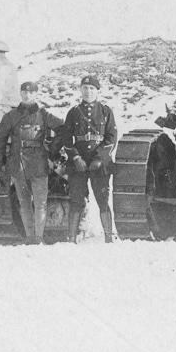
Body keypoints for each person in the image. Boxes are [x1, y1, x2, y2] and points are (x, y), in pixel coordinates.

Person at [0, 81, 64, 245]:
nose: (27, 95)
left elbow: (63, 128)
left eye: (31, 92)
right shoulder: (11, 116)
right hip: (18, 165)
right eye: (24, 91)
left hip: (38, 163)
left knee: (40, 204)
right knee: (24, 203)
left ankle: (39, 237)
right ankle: (30, 237)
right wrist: (1, 162)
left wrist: (52, 149)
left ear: (36, 94)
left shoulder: (43, 115)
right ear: (20, 93)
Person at [61, 75, 119, 243]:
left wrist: (100, 158)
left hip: (99, 164)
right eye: (85, 88)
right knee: (76, 200)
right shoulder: (73, 112)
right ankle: (71, 237)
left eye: (92, 89)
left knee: (103, 199)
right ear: (80, 90)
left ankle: (108, 237)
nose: (88, 92)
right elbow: (66, 139)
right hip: (78, 163)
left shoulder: (105, 111)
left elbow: (111, 137)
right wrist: (76, 157)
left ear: (97, 91)